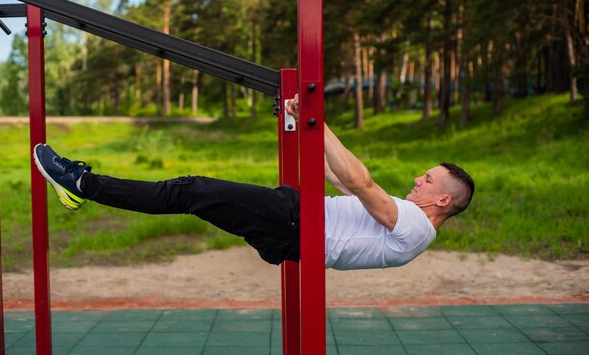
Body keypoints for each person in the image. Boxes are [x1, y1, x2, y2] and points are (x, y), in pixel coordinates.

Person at [33, 95, 474, 270]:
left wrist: (316, 122)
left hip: (295, 225)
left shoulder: (416, 226)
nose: (418, 178)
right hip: (292, 223)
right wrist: (300, 129)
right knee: (192, 195)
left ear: (443, 198)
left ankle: (81, 184)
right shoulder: (408, 219)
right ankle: (83, 185)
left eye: (428, 178)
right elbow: (342, 180)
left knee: (191, 191)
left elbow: (361, 181)